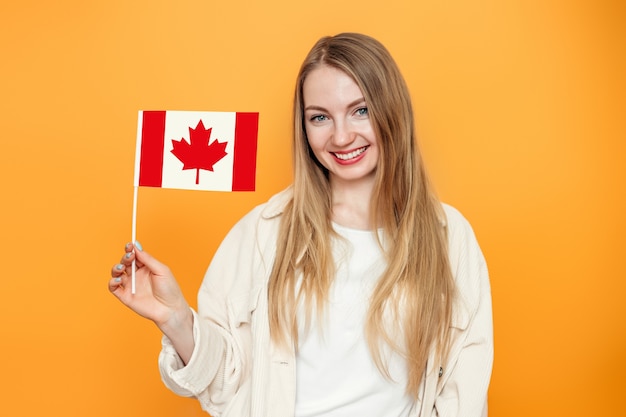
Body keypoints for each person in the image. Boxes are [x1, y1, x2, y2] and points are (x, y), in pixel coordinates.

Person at [109, 32, 493, 417]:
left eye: (360, 110)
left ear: (392, 110)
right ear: (304, 128)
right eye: (320, 117)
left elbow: (464, 395)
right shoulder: (263, 232)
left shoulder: (450, 239)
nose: (341, 136)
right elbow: (223, 385)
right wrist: (175, 317)